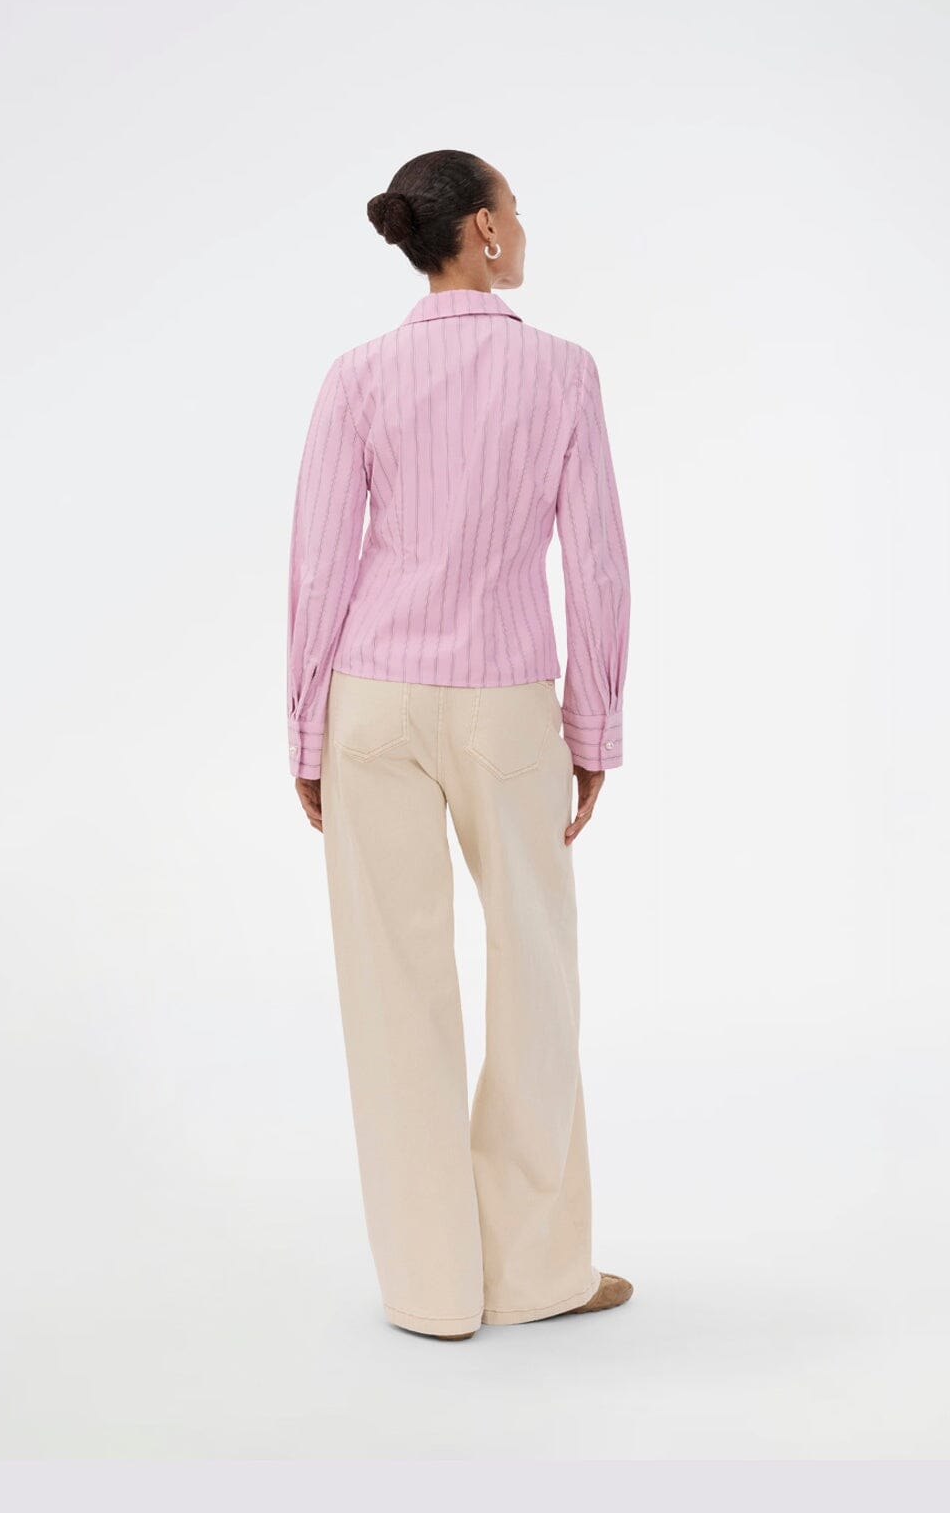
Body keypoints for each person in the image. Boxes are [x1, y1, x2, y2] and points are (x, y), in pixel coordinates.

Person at [286, 149, 633, 1340]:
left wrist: (306, 725)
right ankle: (534, 1274)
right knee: (537, 973)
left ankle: (430, 1291)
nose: (523, 229)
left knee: (392, 990)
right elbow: (597, 565)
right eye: (516, 213)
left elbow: (320, 565)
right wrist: (594, 720)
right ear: (482, 230)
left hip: (371, 701)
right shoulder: (563, 372)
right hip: (504, 702)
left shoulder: (357, 376)